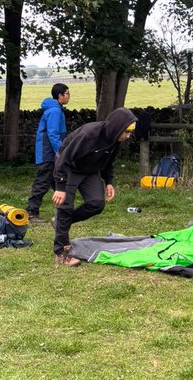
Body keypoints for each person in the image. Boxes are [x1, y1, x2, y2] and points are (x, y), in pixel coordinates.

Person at [52, 107, 137, 265]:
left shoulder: (115, 140)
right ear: (117, 127)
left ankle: (60, 223)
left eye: (130, 132)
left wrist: (109, 181)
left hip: (89, 171)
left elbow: (108, 162)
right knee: (64, 207)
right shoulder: (88, 134)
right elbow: (64, 159)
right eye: (126, 131)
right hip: (69, 167)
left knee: (96, 204)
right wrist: (60, 187)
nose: (128, 136)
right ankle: (61, 253)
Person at [27, 83, 70, 222]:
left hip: (49, 151)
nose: (69, 96)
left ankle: (65, 209)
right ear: (60, 96)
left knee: (57, 181)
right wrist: (61, 152)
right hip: (49, 152)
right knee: (43, 181)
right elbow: (53, 134)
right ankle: (31, 212)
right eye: (67, 93)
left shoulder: (55, 109)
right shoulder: (55, 111)